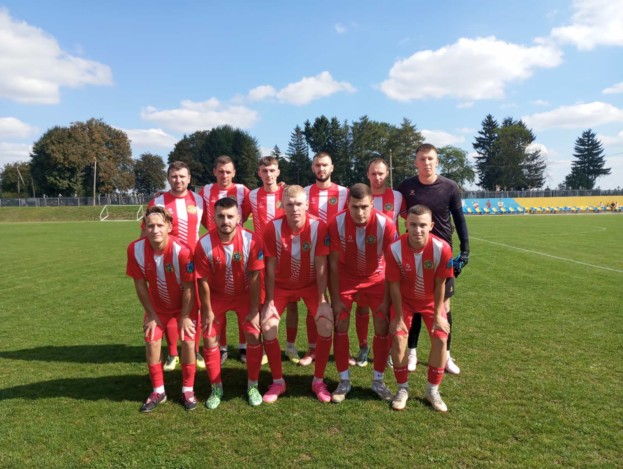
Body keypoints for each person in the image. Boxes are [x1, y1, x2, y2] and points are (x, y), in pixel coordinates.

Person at [397, 143, 469, 374]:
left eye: (430, 159)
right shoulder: (405, 187)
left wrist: (465, 250)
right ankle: (412, 353)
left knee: (444, 305)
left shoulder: (449, 187)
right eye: (422, 159)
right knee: (414, 304)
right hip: (413, 253)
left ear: (437, 161)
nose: (426, 163)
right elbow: (392, 211)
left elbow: (459, 218)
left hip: (442, 255)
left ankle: (445, 355)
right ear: (415, 162)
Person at [260, 185, 333, 403]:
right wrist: (269, 301)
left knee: (326, 324)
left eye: (299, 204)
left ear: (307, 205)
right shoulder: (272, 227)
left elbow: (321, 265)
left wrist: (322, 299)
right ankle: (278, 382)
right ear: (282, 206)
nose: (295, 209)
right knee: (268, 327)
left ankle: (318, 381)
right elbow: (269, 267)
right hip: (281, 286)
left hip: (310, 285)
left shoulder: (318, 226)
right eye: (289, 205)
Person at [328, 183, 397, 403]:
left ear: (372, 204)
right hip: (346, 278)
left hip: (376, 278)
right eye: (355, 207)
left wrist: (386, 300)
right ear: (347, 204)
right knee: (340, 323)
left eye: (364, 207)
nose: (359, 212)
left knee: (382, 324)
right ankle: (343, 381)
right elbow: (332, 264)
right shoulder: (336, 222)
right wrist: (335, 299)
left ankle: (378, 381)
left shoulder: (386, 224)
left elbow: (393, 265)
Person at [194, 198, 265, 408]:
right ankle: (216, 387)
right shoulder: (204, 244)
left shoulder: (251, 240)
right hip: (217, 297)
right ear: (213, 218)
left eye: (230, 216)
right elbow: (202, 281)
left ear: (239, 218)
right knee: (209, 338)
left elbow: (255, 277)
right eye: (221, 216)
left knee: (253, 335)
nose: (226, 221)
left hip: (244, 295)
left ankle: (253, 385)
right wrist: (207, 311)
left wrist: (255, 310)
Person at [127, 206, 198, 412]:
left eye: (160, 225)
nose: (155, 230)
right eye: (150, 226)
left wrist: (185, 317)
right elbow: (140, 284)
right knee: (151, 341)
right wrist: (151, 314)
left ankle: (188, 389)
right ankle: (159, 391)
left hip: (185, 306)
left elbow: (189, 287)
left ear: (169, 227)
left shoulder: (182, 251)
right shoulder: (135, 249)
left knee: (188, 341)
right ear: (145, 228)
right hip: (158, 307)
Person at [386, 204, 453, 412]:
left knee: (441, 338)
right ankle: (402, 389)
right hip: (404, 301)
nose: (418, 230)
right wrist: (398, 318)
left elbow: (441, 284)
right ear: (406, 224)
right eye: (413, 225)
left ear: (431, 225)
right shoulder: (394, 248)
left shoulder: (442, 248)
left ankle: (432, 390)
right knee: (398, 338)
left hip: (431, 301)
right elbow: (394, 285)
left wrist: (438, 315)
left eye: (423, 225)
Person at [145, 161, 205, 371]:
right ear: (168, 178)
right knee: (170, 305)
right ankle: (172, 353)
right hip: (167, 262)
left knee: (194, 307)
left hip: (193, 262)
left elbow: (211, 224)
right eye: (174, 176)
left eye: (182, 176)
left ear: (189, 178)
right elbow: (146, 232)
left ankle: (194, 349)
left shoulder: (198, 200)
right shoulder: (158, 201)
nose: (178, 180)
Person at [353, 158, 405, 367]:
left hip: (390, 261)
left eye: (381, 173)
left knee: (386, 308)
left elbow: (413, 218)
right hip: (363, 261)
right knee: (362, 307)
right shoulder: (360, 196)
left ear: (387, 174)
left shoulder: (398, 196)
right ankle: (363, 347)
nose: (377, 177)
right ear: (367, 175)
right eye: (373, 173)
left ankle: (389, 350)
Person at [199, 155, 251, 364]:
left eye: (228, 172)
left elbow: (249, 211)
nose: (224, 175)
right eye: (220, 171)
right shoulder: (205, 191)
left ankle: (243, 346)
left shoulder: (243, 191)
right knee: (217, 300)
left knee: (242, 298)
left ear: (234, 173)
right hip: (213, 250)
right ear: (214, 172)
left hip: (239, 248)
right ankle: (221, 347)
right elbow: (201, 213)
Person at [248, 156, 299, 364]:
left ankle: (291, 346)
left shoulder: (287, 193)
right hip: (262, 257)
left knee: (293, 303)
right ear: (259, 173)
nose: (268, 174)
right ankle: (263, 348)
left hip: (287, 255)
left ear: (278, 172)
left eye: (272, 170)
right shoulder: (251, 195)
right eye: (264, 170)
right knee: (262, 303)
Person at [301, 151, 348, 366]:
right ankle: (313, 349)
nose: (321, 169)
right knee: (315, 303)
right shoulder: (304, 192)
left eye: (325, 165)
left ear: (332, 168)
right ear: (313, 168)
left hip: (339, 256)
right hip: (312, 256)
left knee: (339, 303)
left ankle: (342, 349)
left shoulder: (344, 193)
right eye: (317, 165)